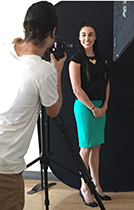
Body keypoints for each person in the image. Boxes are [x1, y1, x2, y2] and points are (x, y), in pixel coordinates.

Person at [0, 1, 66, 210]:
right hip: (6, 165)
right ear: (53, 31)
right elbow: (53, 110)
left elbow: (14, 47)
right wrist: (57, 70)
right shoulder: (44, 71)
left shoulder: (5, 50)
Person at [69, 21, 110, 207]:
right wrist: (93, 108)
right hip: (86, 109)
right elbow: (77, 89)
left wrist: (105, 105)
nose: (87, 38)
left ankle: (97, 185)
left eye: (91, 34)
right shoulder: (75, 60)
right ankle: (84, 187)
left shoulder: (103, 58)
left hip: (101, 107)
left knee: (96, 147)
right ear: (79, 37)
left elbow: (106, 83)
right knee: (85, 148)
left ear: (96, 37)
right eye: (84, 34)